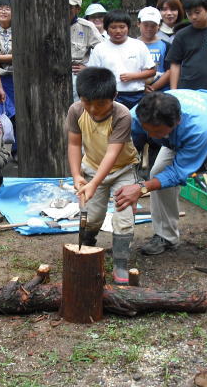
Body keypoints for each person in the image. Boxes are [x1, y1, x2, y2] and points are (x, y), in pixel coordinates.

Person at [114, 90, 207, 271]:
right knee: (157, 172)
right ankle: (166, 236)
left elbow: (177, 173)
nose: (152, 136)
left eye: (158, 131)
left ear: (176, 122)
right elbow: (126, 147)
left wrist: (140, 188)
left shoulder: (197, 127)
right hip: (179, 138)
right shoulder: (139, 115)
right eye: (148, 130)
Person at [67, 67, 140, 284]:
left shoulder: (122, 115)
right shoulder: (76, 110)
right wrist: (76, 175)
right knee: (91, 216)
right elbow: (73, 143)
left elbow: (112, 153)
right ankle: (86, 249)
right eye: (87, 102)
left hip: (123, 170)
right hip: (90, 168)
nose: (92, 109)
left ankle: (120, 263)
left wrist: (94, 183)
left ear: (114, 97)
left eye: (100, 104)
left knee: (124, 217)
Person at [87, 9, 155, 109]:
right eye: (113, 27)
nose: (118, 31)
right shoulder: (100, 48)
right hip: (110, 96)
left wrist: (133, 76)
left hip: (137, 95)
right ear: (106, 28)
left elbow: (152, 71)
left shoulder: (138, 45)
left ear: (128, 27)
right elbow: (92, 75)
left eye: (122, 27)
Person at [0, 0, 17, 160]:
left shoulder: (20, 30)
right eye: (0, 8)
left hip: (17, 79)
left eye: (7, 8)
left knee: (18, 116)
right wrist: (11, 57)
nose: (3, 11)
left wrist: (0, 58)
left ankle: (17, 150)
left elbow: (24, 54)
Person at [69, 0, 103, 101]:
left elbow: (104, 52)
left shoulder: (87, 27)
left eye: (69, 7)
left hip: (77, 78)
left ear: (77, 9)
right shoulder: (48, 24)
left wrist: (89, 69)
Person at [137, 6, 169, 92]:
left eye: (153, 25)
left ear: (159, 26)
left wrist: (153, 87)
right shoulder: (132, 45)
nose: (149, 28)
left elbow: (169, 71)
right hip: (137, 89)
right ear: (138, 24)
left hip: (161, 89)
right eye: (146, 25)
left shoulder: (166, 45)